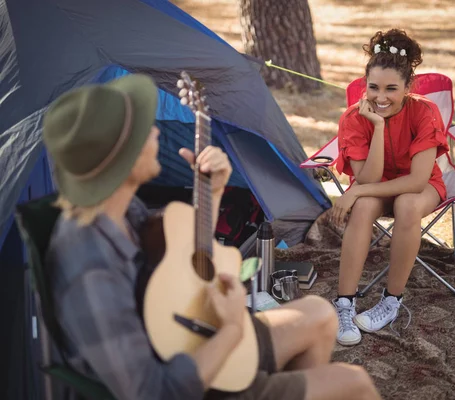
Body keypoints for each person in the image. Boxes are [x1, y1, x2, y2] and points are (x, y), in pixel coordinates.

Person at [43, 74, 380, 400]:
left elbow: (177, 253)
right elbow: (154, 392)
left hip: (187, 339)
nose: (157, 133)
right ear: (119, 159)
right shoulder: (89, 267)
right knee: (354, 382)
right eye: (143, 132)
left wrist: (213, 192)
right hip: (187, 377)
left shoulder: (123, 209)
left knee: (320, 316)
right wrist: (233, 327)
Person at [330, 29, 449, 346]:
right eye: (373, 88)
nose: (380, 97)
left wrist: (353, 191)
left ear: (409, 87)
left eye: (391, 89)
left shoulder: (424, 112)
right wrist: (379, 127)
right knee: (366, 205)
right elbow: (368, 181)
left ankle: (391, 301)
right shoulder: (355, 118)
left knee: (406, 204)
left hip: (421, 187)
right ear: (364, 84)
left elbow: (416, 181)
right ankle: (345, 303)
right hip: (377, 185)